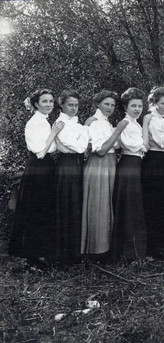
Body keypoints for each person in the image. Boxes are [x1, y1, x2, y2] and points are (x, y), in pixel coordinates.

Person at [9, 89, 64, 264]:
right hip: (38, 167)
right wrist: (54, 133)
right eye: (45, 101)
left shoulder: (44, 121)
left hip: (46, 167)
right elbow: (40, 152)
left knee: (44, 207)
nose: (49, 104)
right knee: (37, 208)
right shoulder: (34, 123)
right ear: (36, 104)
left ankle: (43, 252)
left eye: (51, 101)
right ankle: (35, 255)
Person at [81, 90, 127, 259]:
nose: (110, 107)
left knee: (105, 205)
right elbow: (100, 150)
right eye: (106, 104)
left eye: (113, 105)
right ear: (97, 104)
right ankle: (95, 251)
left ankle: (102, 249)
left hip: (108, 164)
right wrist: (118, 130)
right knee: (98, 206)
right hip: (99, 164)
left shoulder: (105, 122)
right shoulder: (96, 122)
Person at [141, 87, 164, 257]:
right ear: (153, 103)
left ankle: (161, 246)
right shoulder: (152, 119)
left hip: (162, 161)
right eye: (162, 103)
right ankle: (154, 247)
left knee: (161, 202)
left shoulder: (160, 120)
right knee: (154, 203)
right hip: (155, 161)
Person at [112, 87, 149, 260]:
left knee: (135, 206)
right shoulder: (125, 123)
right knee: (129, 206)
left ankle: (135, 251)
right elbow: (131, 145)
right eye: (133, 106)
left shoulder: (136, 123)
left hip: (136, 164)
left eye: (139, 106)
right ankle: (127, 252)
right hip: (128, 165)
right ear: (125, 107)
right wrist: (142, 145)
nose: (137, 109)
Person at [54, 90, 89, 264]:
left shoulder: (76, 123)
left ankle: (75, 253)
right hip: (67, 164)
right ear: (62, 105)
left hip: (76, 164)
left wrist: (81, 135)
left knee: (76, 203)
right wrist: (84, 133)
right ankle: (65, 255)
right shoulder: (61, 122)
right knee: (68, 204)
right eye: (70, 105)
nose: (74, 108)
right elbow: (81, 147)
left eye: (76, 105)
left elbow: (80, 146)